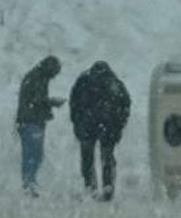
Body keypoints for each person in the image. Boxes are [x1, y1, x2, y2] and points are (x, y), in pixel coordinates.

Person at [68, 61, 131, 201]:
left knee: (87, 158)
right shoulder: (115, 83)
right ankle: (108, 189)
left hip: (87, 126)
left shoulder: (83, 82)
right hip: (109, 127)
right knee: (107, 158)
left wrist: (77, 123)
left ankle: (90, 187)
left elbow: (74, 104)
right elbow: (125, 105)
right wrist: (119, 125)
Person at [15, 56, 65, 196]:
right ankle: (29, 184)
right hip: (31, 121)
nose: (54, 76)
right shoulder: (37, 78)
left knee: (31, 154)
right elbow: (37, 100)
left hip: (28, 121)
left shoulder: (36, 76)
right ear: (50, 69)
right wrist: (52, 102)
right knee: (34, 154)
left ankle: (29, 183)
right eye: (55, 72)